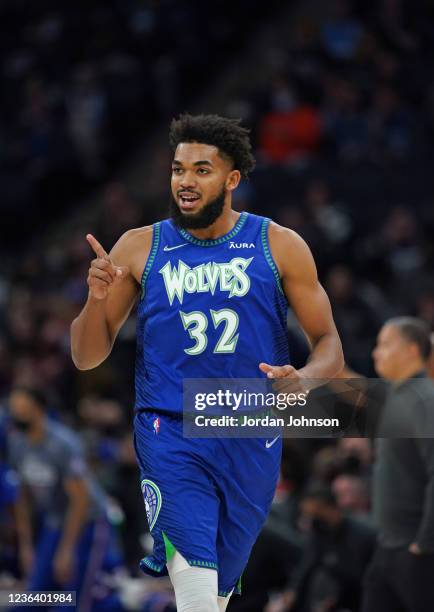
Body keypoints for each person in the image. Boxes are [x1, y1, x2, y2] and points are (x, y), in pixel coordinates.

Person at [70, 113, 344, 612]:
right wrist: (95, 300)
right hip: (169, 428)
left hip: (248, 431)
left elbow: (329, 343)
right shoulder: (140, 245)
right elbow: (86, 356)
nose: (185, 182)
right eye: (178, 170)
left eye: (201, 170)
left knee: (212, 598)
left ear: (232, 179)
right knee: (194, 586)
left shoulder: (278, 244)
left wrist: (304, 378)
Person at [7, 386, 113, 612]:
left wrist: (66, 550)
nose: (16, 415)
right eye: (13, 410)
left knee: (73, 600)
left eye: (22, 409)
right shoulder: (17, 444)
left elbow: (81, 501)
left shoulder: (63, 443)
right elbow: (22, 497)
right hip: (55, 521)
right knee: (33, 598)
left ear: (38, 409)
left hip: (88, 522)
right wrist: (26, 546)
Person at [360, 317, 434, 612]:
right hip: (389, 545)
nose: (376, 352)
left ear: (412, 350)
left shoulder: (425, 398)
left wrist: (425, 542)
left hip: (416, 547)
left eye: (385, 344)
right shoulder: (394, 396)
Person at [265, 485, 375, 612]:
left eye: (314, 514)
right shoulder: (320, 534)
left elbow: (361, 577)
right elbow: (306, 567)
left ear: (328, 509)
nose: (309, 520)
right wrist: (290, 594)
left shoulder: (362, 535)